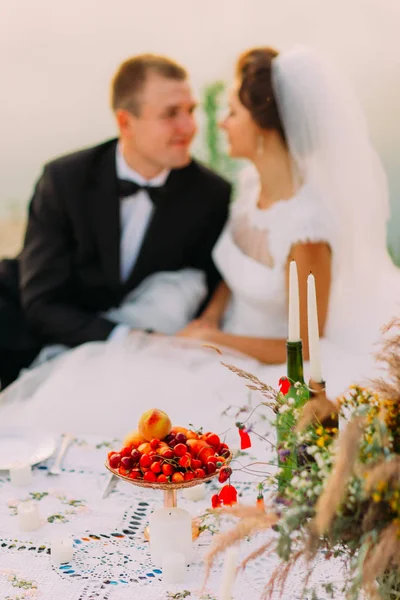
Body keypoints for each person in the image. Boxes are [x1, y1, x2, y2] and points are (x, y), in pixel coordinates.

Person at [1, 45, 399, 437]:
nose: (197, 126)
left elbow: (307, 340)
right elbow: (236, 269)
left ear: (262, 126)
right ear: (126, 122)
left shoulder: (234, 202)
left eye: (206, 111)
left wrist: (211, 339)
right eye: (171, 114)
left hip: (243, 357)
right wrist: (209, 317)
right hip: (42, 321)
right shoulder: (245, 189)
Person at [0, 54, 231, 388]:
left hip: (130, 358)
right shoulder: (65, 179)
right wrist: (132, 338)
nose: (189, 127)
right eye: (170, 114)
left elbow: (211, 285)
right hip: (22, 326)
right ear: (126, 123)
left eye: (190, 110)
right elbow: (41, 303)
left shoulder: (210, 194)